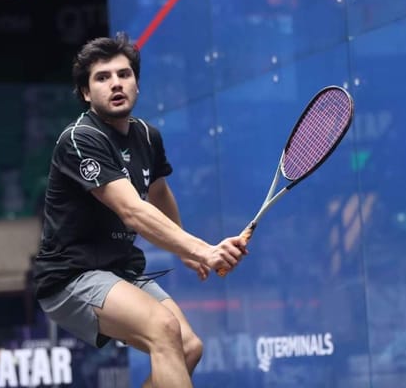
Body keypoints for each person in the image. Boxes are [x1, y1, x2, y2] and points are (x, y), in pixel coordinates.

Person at [32, 32, 248, 388]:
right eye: (102, 78)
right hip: (71, 277)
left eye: (124, 74)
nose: (115, 84)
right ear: (86, 93)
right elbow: (133, 210)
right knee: (163, 328)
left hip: (119, 269)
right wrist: (203, 250)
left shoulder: (147, 136)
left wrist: (187, 254)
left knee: (189, 347)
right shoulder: (80, 139)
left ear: (136, 84)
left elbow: (159, 192)